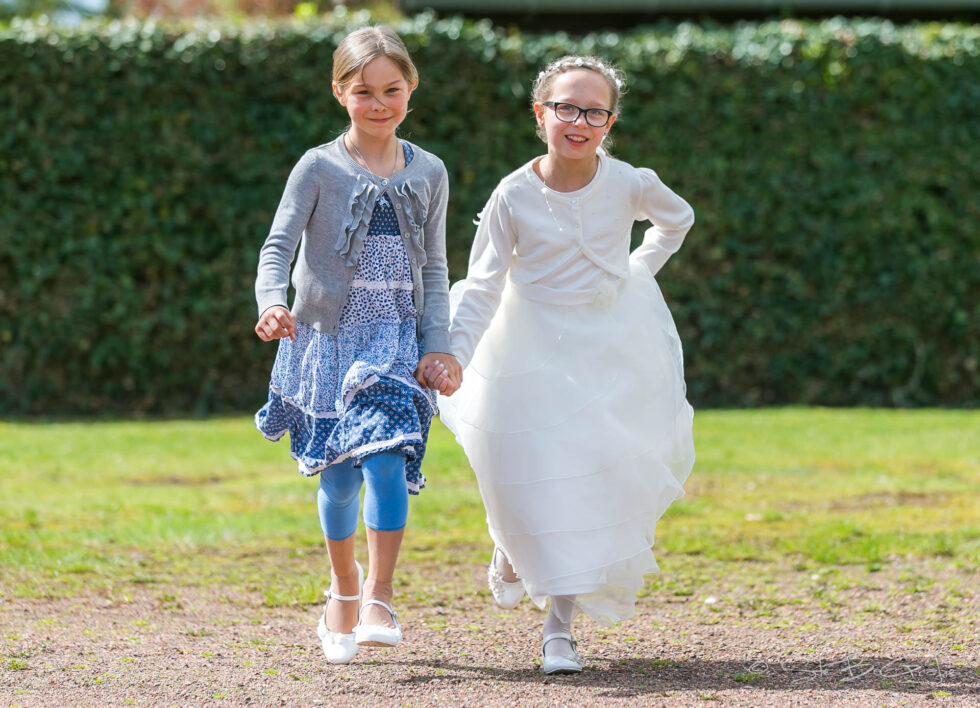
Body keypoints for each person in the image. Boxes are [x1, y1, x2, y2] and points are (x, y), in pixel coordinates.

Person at [437, 55, 695, 675]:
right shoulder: (513, 195)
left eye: (594, 111)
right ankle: (507, 542)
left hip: (606, 348)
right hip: (524, 345)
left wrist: (636, 272)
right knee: (516, 468)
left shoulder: (629, 181)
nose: (579, 121)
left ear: (610, 121)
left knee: (581, 479)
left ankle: (559, 628)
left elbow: (676, 219)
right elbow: (481, 284)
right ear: (541, 114)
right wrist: (455, 354)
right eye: (566, 108)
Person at [253, 25, 462, 666]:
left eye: (391, 90)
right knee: (340, 477)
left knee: (386, 462)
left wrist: (438, 343)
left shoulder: (429, 170)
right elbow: (277, 248)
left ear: (410, 89)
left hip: (397, 341)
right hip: (328, 340)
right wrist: (271, 303)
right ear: (341, 92)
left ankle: (379, 591)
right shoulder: (317, 166)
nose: (379, 103)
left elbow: (434, 267)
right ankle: (342, 587)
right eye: (363, 91)